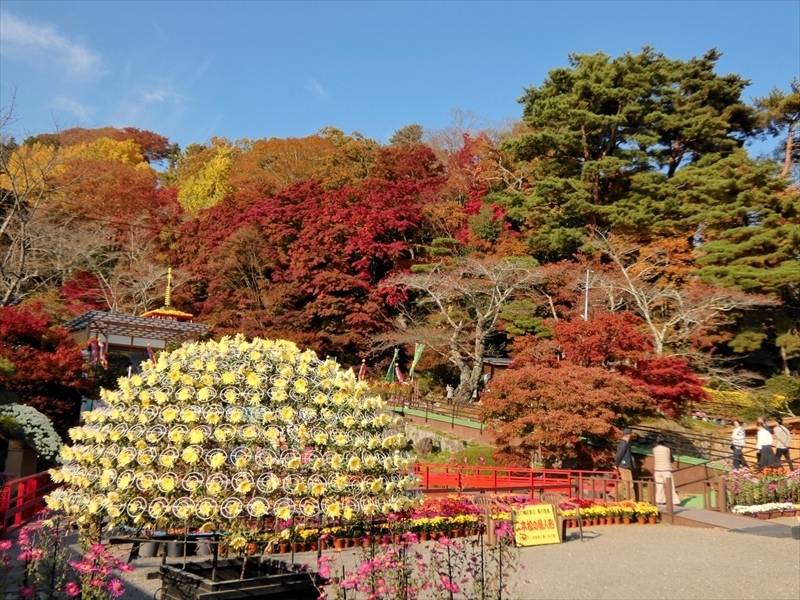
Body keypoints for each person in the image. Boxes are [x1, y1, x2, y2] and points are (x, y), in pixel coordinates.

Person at [652, 436, 680, 507]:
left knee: (659, 486)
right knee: (670, 486)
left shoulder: (654, 449)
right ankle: (674, 501)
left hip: (657, 469)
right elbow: (671, 458)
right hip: (666, 469)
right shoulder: (667, 449)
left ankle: (660, 500)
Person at [615, 429, 635, 500]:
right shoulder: (624, 444)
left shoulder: (623, 443)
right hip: (625, 466)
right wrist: (616, 464)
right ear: (628, 435)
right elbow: (620, 454)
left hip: (623, 465)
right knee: (629, 484)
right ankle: (631, 499)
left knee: (624, 483)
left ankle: (612, 495)